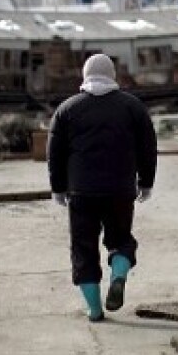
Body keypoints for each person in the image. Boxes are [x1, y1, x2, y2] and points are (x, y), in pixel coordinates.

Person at [47, 53, 157, 321]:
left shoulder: (67, 109)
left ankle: (95, 309)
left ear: (85, 76)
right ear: (112, 75)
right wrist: (146, 182)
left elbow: (55, 153)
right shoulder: (133, 107)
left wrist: (58, 187)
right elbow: (148, 147)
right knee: (120, 240)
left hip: (81, 192)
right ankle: (118, 276)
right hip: (120, 190)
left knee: (83, 249)